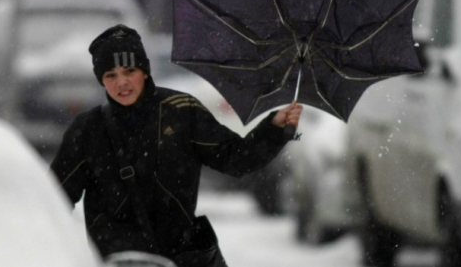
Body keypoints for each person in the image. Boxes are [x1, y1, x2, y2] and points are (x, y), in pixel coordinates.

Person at [50, 24, 302, 267]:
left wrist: (273, 129)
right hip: (116, 260)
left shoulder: (182, 111)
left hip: (179, 257)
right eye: (110, 75)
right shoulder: (88, 129)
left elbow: (233, 158)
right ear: (101, 81)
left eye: (129, 71)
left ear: (145, 71)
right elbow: (53, 198)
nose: (121, 83)